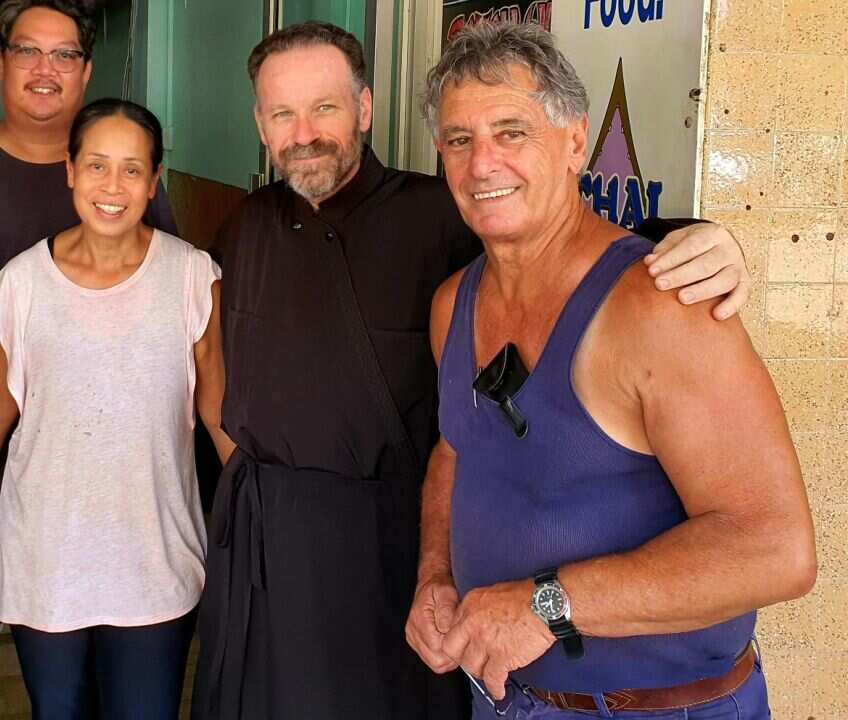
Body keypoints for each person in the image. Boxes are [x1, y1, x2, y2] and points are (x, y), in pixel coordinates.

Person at [192, 21, 755, 720]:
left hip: (387, 540)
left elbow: (567, 241)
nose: (304, 132)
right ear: (261, 124)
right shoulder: (245, 224)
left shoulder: (442, 213)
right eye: (282, 113)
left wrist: (700, 238)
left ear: (364, 110)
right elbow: (206, 348)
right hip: (270, 535)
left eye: (325, 108)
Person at [405, 22, 815, 719]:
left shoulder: (660, 307)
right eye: (459, 140)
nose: (482, 165)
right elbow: (455, 449)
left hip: (658, 708)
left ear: (574, 141)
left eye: (512, 132)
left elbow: (776, 550)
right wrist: (436, 577)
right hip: (507, 700)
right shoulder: (454, 303)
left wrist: (544, 606)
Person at [0, 98, 231, 720]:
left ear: (155, 182)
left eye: (132, 170)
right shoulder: (20, 285)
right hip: (47, 555)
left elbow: (218, 417)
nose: (113, 187)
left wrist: (268, 525)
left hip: (154, 557)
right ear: (69, 170)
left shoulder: (192, 277)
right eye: (97, 165)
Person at [0, 2, 178, 717]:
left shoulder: (128, 188)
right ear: (1, 59)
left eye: (65, 54)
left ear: (87, 70)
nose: (46, 70)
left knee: (98, 687)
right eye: (29, 51)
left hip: (99, 502)